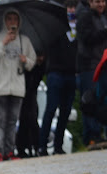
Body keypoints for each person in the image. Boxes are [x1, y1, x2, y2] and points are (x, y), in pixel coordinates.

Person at [0, 9, 36, 161]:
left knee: (12, 121)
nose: (12, 22)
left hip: (17, 87)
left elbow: (31, 62)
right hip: (0, 87)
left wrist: (25, 60)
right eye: (9, 18)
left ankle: (10, 151)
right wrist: (4, 42)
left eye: (15, 19)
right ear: (4, 21)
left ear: (19, 21)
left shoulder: (24, 40)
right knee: (0, 120)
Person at [39, 0, 78, 155]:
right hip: (55, 73)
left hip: (71, 74)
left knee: (66, 112)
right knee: (51, 109)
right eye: (69, 7)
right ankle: (42, 146)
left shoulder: (78, 28)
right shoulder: (54, 27)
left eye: (74, 7)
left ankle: (58, 146)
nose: (71, 10)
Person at [76, 0, 107, 145]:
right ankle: (91, 136)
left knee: (102, 101)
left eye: (102, 1)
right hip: (89, 65)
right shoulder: (85, 16)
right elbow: (86, 38)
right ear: (90, 2)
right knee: (89, 101)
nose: (101, 4)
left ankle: (99, 132)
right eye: (97, 1)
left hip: (102, 64)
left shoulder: (103, 17)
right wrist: (104, 32)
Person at [16, 53, 46, 157]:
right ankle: (22, 148)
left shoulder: (38, 68)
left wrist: (38, 64)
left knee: (32, 119)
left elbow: (38, 79)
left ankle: (36, 147)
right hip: (21, 93)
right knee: (23, 120)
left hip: (31, 94)